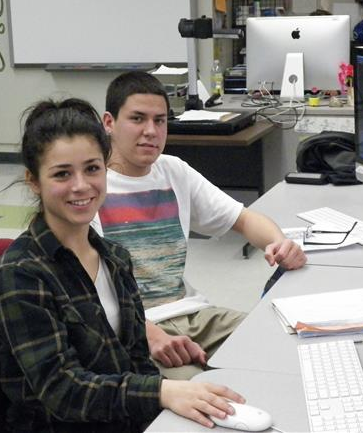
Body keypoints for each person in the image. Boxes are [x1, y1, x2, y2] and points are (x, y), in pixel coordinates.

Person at [0, 98, 245, 433]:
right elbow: (63, 392)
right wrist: (162, 393)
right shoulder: (19, 275)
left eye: (92, 168)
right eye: (62, 173)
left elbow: (137, 362)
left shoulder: (114, 258)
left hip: (121, 418)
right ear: (33, 181)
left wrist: (163, 405)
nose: (81, 185)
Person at [93, 71, 307, 380]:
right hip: (137, 329)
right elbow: (89, 294)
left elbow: (244, 219)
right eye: (137, 119)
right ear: (109, 123)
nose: (151, 131)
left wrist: (279, 242)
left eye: (160, 120)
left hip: (193, 313)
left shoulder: (173, 170)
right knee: (208, 388)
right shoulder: (90, 187)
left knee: (283, 345)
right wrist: (146, 333)